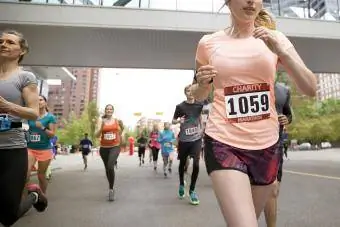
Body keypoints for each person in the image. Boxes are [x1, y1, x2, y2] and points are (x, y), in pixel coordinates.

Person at [192, 0, 317, 224]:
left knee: (250, 220)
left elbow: (310, 88)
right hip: (223, 142)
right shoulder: (208, 43)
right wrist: (202, 85)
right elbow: (198, 94)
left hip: (266, 146)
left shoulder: (275, 38)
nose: (251, 1)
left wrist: (282, 53)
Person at [0, 30, 48, 227]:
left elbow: (34, 113)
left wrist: (8, 106)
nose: (3, 44)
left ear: (22, 50)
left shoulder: (25, 77)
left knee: (9, 216)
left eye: (10, 42)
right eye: (1, 41)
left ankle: (35, 195)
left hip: (12, 148)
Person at [264, 82, 292, 227]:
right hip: (248, 141)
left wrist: (287, 119)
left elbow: (288, 114)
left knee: (273, 191)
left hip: (275, 142)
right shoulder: (248, 82)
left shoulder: (283, 90)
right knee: (254, 191)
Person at [172, 85, 203, 205]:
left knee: (196, 164)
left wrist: (201, 129)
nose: (190, 93)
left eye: (192, 91)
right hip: (184, 140)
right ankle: (181, 183)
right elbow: (173, 120)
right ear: (185, 93)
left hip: (196, 139)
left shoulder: (199, 105)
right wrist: (179, 121)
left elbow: (200, 117)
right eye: (188, 91)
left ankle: (192, 190)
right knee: (182, 163)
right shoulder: (180, 107)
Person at [26, 95, 57, 194]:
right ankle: (23, 198)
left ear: (45, 102)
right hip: (30, 148)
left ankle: (42, 196)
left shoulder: (50, 117)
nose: (39, 102)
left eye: (41, 100)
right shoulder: (31, 116)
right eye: (36, 100)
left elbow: (52, 135)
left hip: (44, 149)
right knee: (26, 174)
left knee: (41, 175)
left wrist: (42, 127)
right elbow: (25, 127)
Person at [96, 104, 124, 201]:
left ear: (113, 111)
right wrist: (101, 128)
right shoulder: (101, 121)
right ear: (105, 111)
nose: (109, 110)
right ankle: (110, 186)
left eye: (110, 109)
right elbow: (96, 135)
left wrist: (122, 126)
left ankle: (111, 189)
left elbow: (120, 133)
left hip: (115, 146)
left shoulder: (116, 121)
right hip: (104, 148)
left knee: (110, 166)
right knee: (107, 169)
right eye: (107, 109)